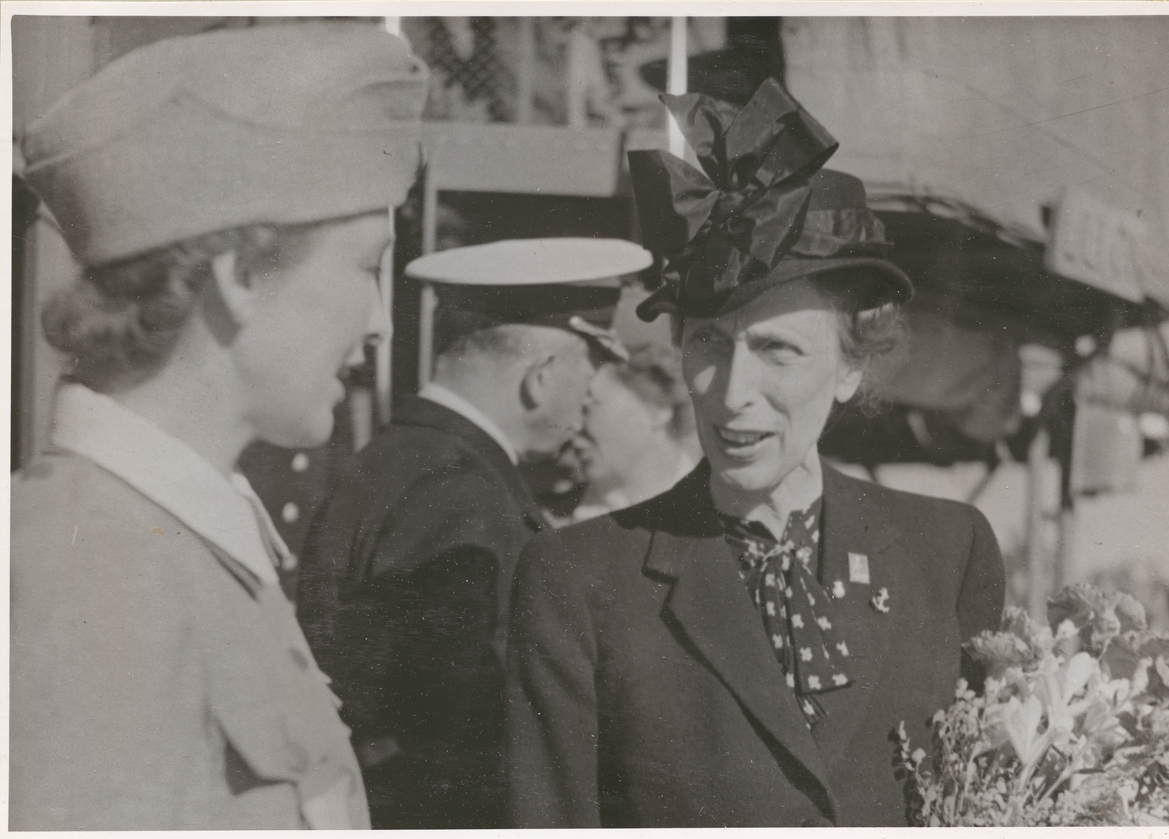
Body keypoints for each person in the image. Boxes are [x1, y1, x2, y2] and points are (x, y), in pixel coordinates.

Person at [506, 79, 1007, 827]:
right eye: (709, 342)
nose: (733, 391)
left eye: (777, 349)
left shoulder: (949, 552)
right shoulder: (579, 580)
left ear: (850, 368)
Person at [10, 23, 428, 830]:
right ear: (242, 277)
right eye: (364, 266)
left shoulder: (168, 539)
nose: (379, 323)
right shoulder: (91, 572)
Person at [295, 237, 651, 829]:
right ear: (541, 376)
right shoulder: (463, 493)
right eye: (590, 372)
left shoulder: (406, 457)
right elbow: (441, 740)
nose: (590, 398)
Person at [569, 342, 700, 521]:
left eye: (587, 407)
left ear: (657, 410)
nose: (574, 425)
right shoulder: (573, 520)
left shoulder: (711, 504)